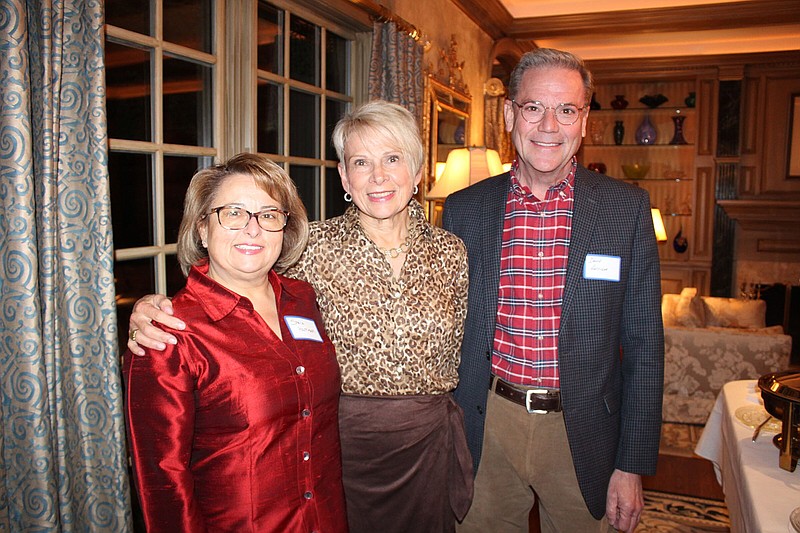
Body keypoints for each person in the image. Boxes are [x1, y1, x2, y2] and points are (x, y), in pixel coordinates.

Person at [126, 101, 473, 532]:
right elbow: (235, 275)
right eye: (361, 162)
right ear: (345, 177)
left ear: (418, 172)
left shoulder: (451, 252)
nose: (378, 176)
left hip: (428, 444)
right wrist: (150, 306)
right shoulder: (311, 247)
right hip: (341, 446)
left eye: (393, 158)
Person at [443, 48, 664, 533]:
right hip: (488, 423)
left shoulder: (625, 210)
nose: (549, 126)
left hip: (583, 429)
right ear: (509, 115)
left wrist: (631, 465)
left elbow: (646, 346)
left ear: (584, 120)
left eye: (566, 110)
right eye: (533, 108)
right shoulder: (463, 210)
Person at [124, 153, 347, 532]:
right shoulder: (170, 333)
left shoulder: (303, 299)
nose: (253, 229)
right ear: (201, 229)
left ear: (284, 229)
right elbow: (163, 484)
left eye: (269, 215)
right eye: (234, 213)